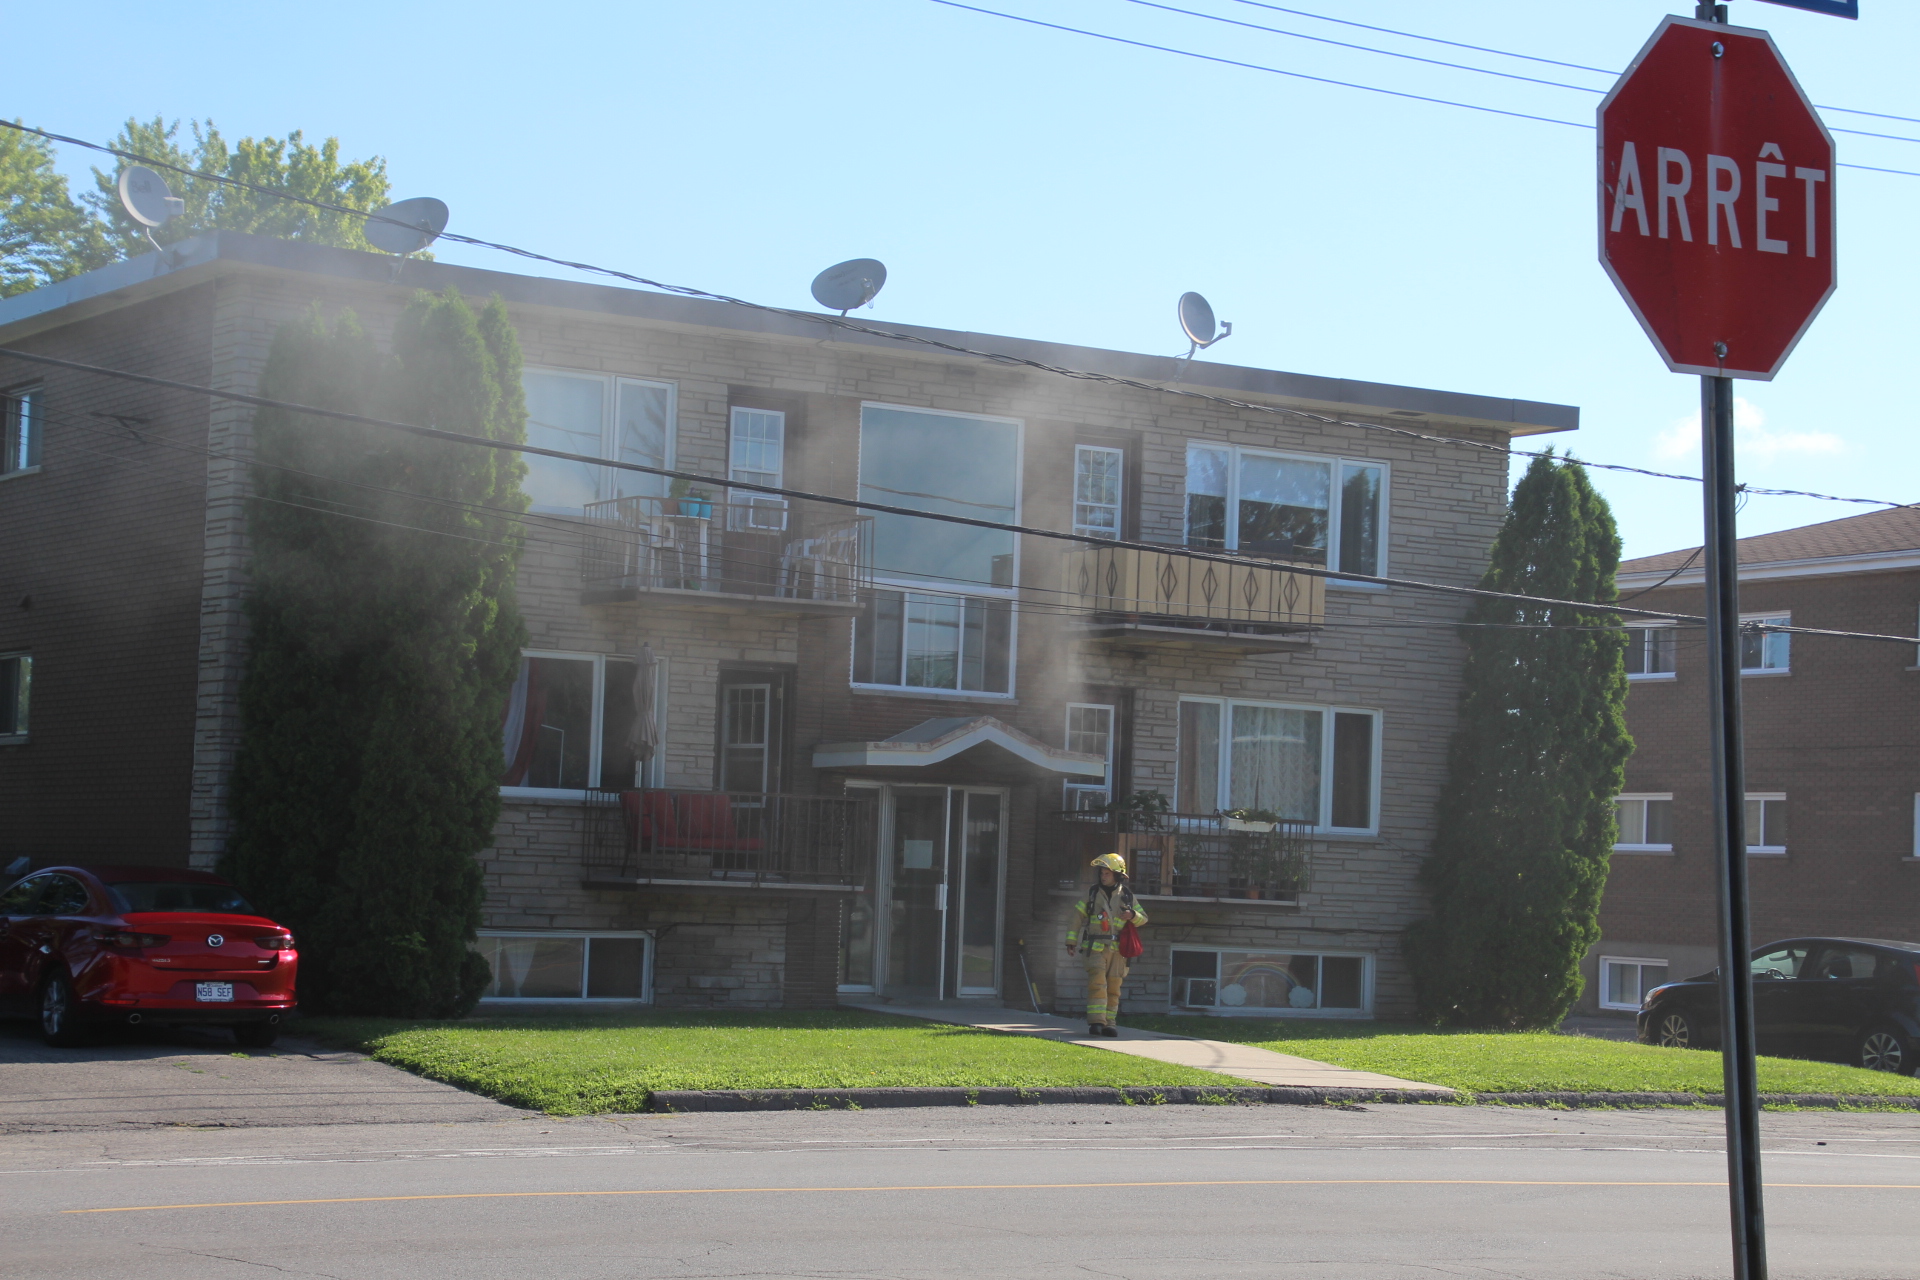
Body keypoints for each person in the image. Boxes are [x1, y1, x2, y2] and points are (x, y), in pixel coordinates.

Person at [1065, 852, 1146, 1037]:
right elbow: (1076, 917)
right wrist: (1071, 941)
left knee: (1114, 987)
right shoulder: (1092, 894)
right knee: (1097, 984)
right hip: (1095, 948)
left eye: (1107, 873)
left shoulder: (1126, 895)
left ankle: (1110, 1023)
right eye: (1101, 873)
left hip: (1118, 951)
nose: (1103, 876)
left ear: (1117, 874)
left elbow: (1143, 919)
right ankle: (1096, 1022)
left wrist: (1133, 916)